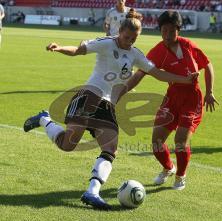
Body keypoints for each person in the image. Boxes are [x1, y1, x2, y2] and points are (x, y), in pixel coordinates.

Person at [23, 9, 197, 210]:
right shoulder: (106, 43)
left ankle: (92, 192)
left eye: (134, 39)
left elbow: (158, 73)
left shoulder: (135, 55)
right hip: (89, 96)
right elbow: (79, 50)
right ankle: (44, 119)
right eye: (126, 37)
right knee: (67, 145)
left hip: (106, 104)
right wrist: (59, 47)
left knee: (110, 148)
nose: (129, 41)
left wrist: (185, 79)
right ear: (120, 31)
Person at [123, 10, 218, 190]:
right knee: (156, 141)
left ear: (178, 29)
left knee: (181, 141)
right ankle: (168, 168)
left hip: (192, 99)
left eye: (171, 31)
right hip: (172, 97)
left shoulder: (189, 45)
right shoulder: (158, 51)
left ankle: (180, 176)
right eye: (163, 31)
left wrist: (210, 92)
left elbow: (207, 64)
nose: (167, 35)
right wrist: (123, 90)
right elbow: (140, 73)